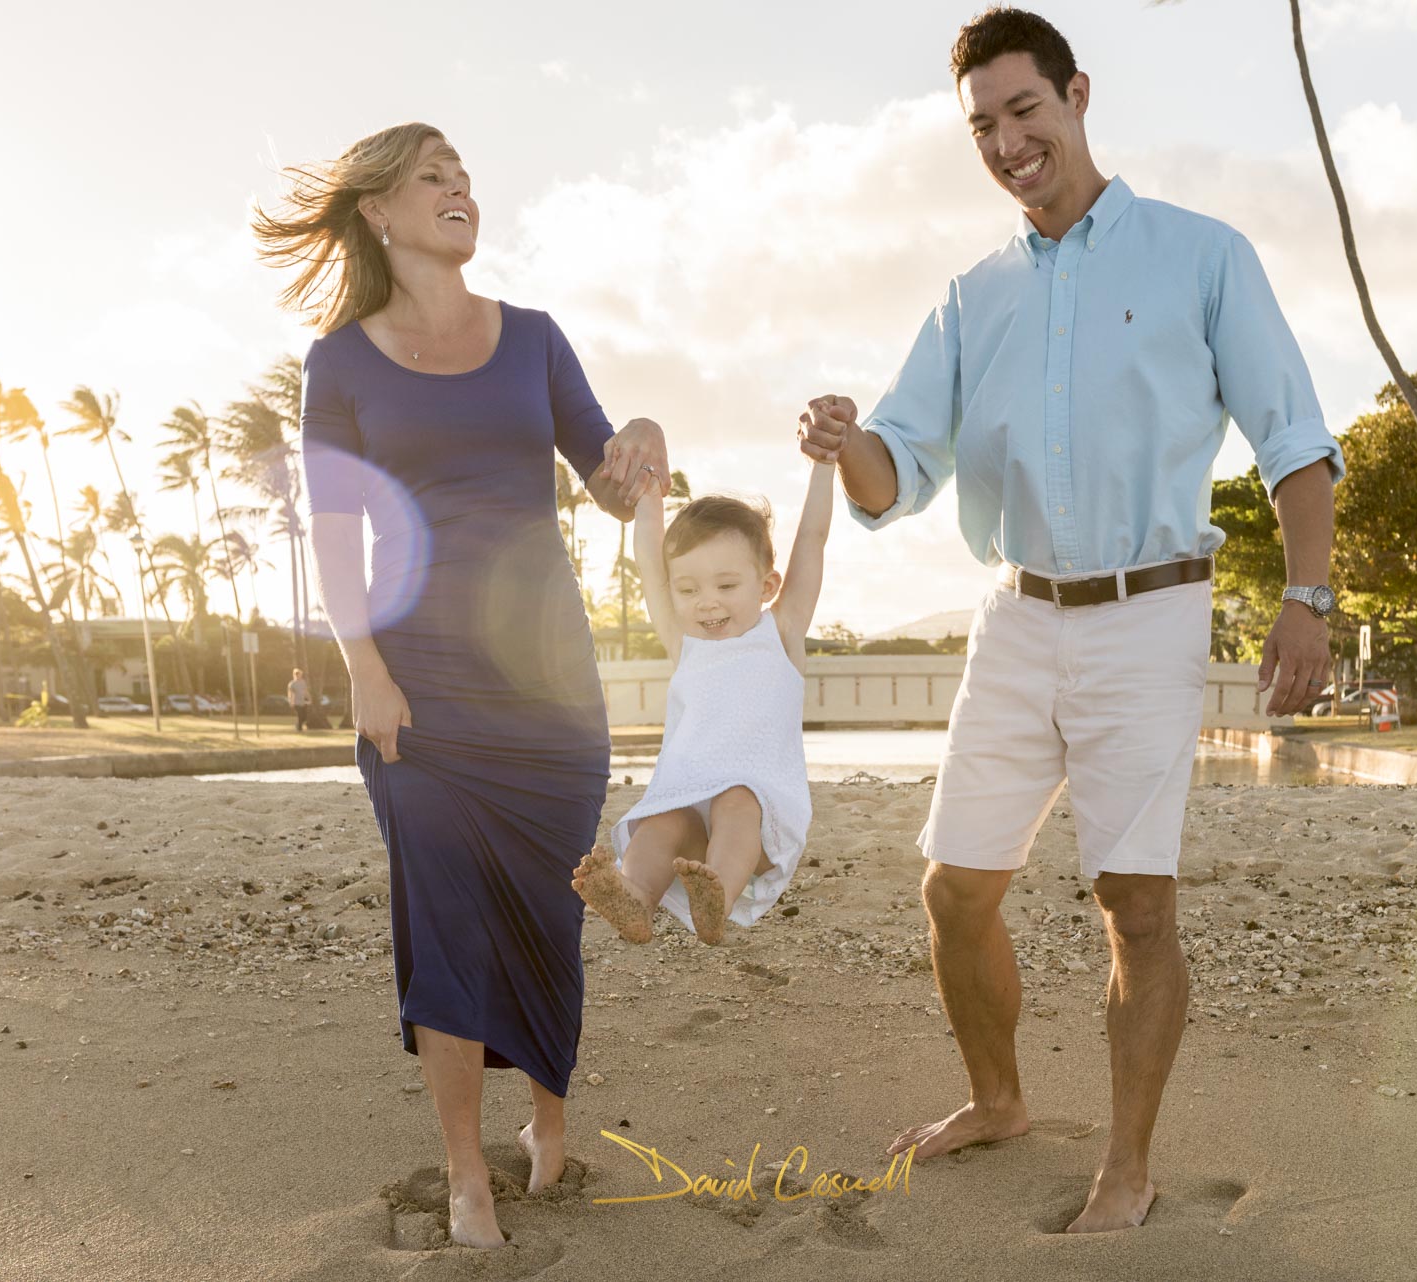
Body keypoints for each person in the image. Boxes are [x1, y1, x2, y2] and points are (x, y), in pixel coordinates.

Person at [795, 8, 1344, 1233]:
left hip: (1150, 617)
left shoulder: (1202, 255)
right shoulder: (968, 296)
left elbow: (1295, 440)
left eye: (1023, 110)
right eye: (982, 124)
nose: (1005, 141)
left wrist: (1308, 598)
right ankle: (998, 1100)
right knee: (952, 889)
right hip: (1015, 619)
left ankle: (1129, 1165)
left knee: (1135, 904)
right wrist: (850, 447)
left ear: (1076, 95)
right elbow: (899, 472)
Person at [252, 121, 669, 1250]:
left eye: (465, 176)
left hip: (547, 689)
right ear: (378, 212)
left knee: (543, 915)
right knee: (440, 915)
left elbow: (609, 487)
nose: (459, 188)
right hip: (418, 690)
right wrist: (363, 670)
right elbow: (334, 534)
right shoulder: (338, 364)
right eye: (432, 176)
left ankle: (545, 1120)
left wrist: (639, 435)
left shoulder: (532, 340)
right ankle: (462, 1173)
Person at [571, 461, 833, 945]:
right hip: (690, 809)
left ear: (768, 586)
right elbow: (650, 562)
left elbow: (813, 538)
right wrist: (649, 498)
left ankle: (719, 900)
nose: (707, 602)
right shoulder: (684, 641)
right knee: (663, 821)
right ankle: (635, 897)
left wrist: (825, 463)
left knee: (737, 798)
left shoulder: (782, 631)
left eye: (726, 586)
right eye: (688, 590)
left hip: (758, 822)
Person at [286, 667, 311, 732]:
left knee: (304, 717)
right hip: (296, 702)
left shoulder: (303, 682)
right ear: (294, 675)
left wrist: (309, 698)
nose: (298, 675)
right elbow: (290, 693)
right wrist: (290, 701)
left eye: (299, 674)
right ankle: (299, 729)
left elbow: (305, 691)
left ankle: (297, 725)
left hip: (302, 702)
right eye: (297, 674)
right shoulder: (292, 684)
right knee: (300, 715)